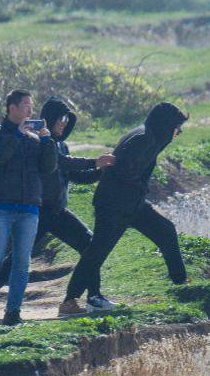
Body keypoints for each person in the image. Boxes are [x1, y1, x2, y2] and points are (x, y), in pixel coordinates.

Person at [58, 102, 190, 317]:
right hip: (114, 206)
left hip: (130, 204)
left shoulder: (147, 136)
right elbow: (122, 170)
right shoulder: (144, 139)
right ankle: (69, 301)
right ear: (167, 125)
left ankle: (181, 283)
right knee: (97, 253)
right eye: (177, 127)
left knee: (165, 231)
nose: (178, 132)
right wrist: (140, 186)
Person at [0, 97, 118, 311]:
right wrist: (94, 161)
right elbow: (61, 162)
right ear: (50, 118)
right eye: (61, 118)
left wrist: (101, 172)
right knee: (17, 258)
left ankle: (92, 298)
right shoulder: (37, 140)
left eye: (68, 119)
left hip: (57, 211)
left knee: (89, 245)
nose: (64, 123)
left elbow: (75, 175)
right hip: (38, 212)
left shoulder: (62, 143)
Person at [0, 90, 57, 328]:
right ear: (12, 107)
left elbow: (48, 168)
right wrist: (15, 136)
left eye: (32, 106)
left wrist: (47, 141)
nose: (30, 111)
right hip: (0, 207)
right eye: (25, 106)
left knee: (22, 262)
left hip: (29, 207)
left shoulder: (34, 138)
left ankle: (13, 313)